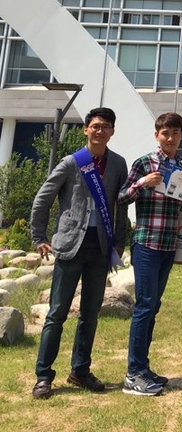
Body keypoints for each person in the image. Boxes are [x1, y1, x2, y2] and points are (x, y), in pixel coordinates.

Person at [30, 107, 128, 399]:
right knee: (57, 313)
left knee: (90, 314)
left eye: (106, 126)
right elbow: (43, 198)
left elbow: (121, 204)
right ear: (86, 129)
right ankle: (43, 376)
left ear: (112, 132)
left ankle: (80, 370)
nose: (100, 131)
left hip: (100, 247)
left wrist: (119, 241)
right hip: (71, 245)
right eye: (95, 126)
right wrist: (38, 236)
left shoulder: (118, 163)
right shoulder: (72, 162)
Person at [119, 111, 182, 396]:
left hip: (168, 245)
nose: (170, 138)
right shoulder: (144, 163)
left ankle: (143, 368)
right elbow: (122, 196)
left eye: (175, 133)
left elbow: (177, 206)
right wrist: (143, 183)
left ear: (181, 136)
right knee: (144, 305)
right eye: (165, 133)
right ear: (157, 135)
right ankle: (133, 374)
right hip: (146, 243)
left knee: (153, 306)